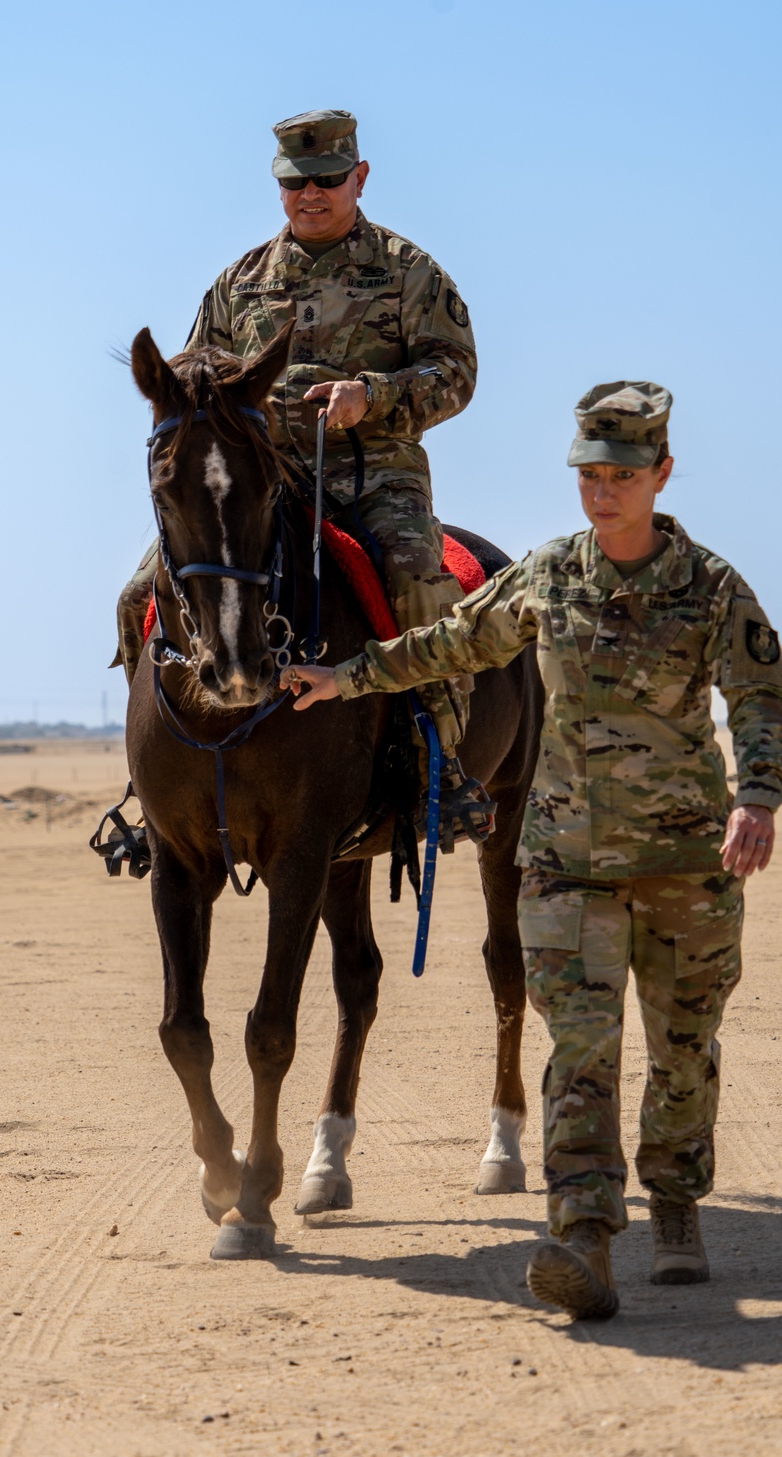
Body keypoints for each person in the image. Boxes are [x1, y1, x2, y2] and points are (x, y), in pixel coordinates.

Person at [282, 381, 782, 1320]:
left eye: (623, 474)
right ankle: (582, 1234)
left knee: (683, 1052)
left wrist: (758, 794)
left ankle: (674, 1205)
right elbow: (448, 644)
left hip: (684, 867)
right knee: (580, 1053)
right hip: (565, 863)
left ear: (661, 474)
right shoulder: (549, 576)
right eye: (590, 473)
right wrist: (342, 678)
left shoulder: (714, 587)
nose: (603, 490)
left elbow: (760, 697)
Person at [114, 108, 489, 850]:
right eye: (294, 182)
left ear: (359, 176)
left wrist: (371, 398)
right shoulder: (239, 282)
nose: (309, 194)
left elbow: (458, 372)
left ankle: (437, 770)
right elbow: (192, 384)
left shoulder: (409, 271)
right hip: (262, 486)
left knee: (418, 577)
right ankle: (147, 789)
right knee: (136, 596)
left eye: (325, 180)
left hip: (374, 476)